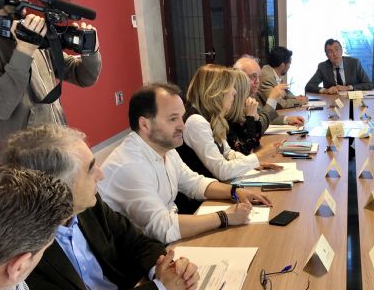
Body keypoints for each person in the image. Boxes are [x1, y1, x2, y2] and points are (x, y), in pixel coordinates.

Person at [3, 124, 200, 290]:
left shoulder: (89, 206)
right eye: (90, 169)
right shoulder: (24, 247)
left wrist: (165, 267)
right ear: (58, 186)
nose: (101, 174)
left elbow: (137, 243)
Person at [99, 83, 271, 244]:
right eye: (173, 119)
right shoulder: (130, 165)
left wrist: (235, 191)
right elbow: (162, 228)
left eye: (181, 117)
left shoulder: (165, 148)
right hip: (140, 254)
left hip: (163, 242)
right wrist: (224, 217)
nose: (182, 126)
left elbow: (194, 183)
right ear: (145, 124)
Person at [0, 0, 101, 159]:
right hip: (21, 165)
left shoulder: (28, 28)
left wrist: (90, 51)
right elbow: (0, 106)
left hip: (56, 148)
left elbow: (83, 76)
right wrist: (24, 50)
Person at [178, 64, 281, 181]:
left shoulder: (213, 116)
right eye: (230, 87)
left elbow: (228, 153)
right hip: (207, 191)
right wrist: (259, 156)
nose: (234, 92)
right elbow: (221, 171)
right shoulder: (196, 122)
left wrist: (255, 163)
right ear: (216, 91)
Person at [234, 55, 304, 132]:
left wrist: (286, 119)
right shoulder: (234, 99)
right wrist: (272, 100)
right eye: (253, 76)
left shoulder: (252, 94)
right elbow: (258, 127)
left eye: (258, 77)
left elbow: (262, 116)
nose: (257, 81)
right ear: (239, 77)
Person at [305, 38, 372, 94]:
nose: (334, 54)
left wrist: (348, 87)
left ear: (341, 51)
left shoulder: (354, 63)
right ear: (327, 55)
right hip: (332, 101)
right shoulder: (323, 67)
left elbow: (368, 84)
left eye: (337, 49)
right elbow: (309, 86)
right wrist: (326, 90)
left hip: (352, 101)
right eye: (330, 51)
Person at [226, 69, 262, 156]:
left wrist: (256, 118)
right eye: (247, 92)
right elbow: (245, 150)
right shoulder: (226, 120)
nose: (249, 96)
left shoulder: (239, 116)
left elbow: (256, 140)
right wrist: (250, 117)